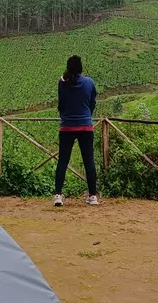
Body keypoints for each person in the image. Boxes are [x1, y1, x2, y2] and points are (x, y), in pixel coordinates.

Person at [54, 54, 99, 207]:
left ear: (68, 67)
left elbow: (61, 104)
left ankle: (58, 195)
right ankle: (93, 196)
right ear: (81, 68)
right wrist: (86, 115)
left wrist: (66, 116)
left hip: (66, 126)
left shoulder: (62, 83)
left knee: (63, 161)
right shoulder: (89, 82)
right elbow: (92, 103)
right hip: (86, 126)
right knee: (89, 161)